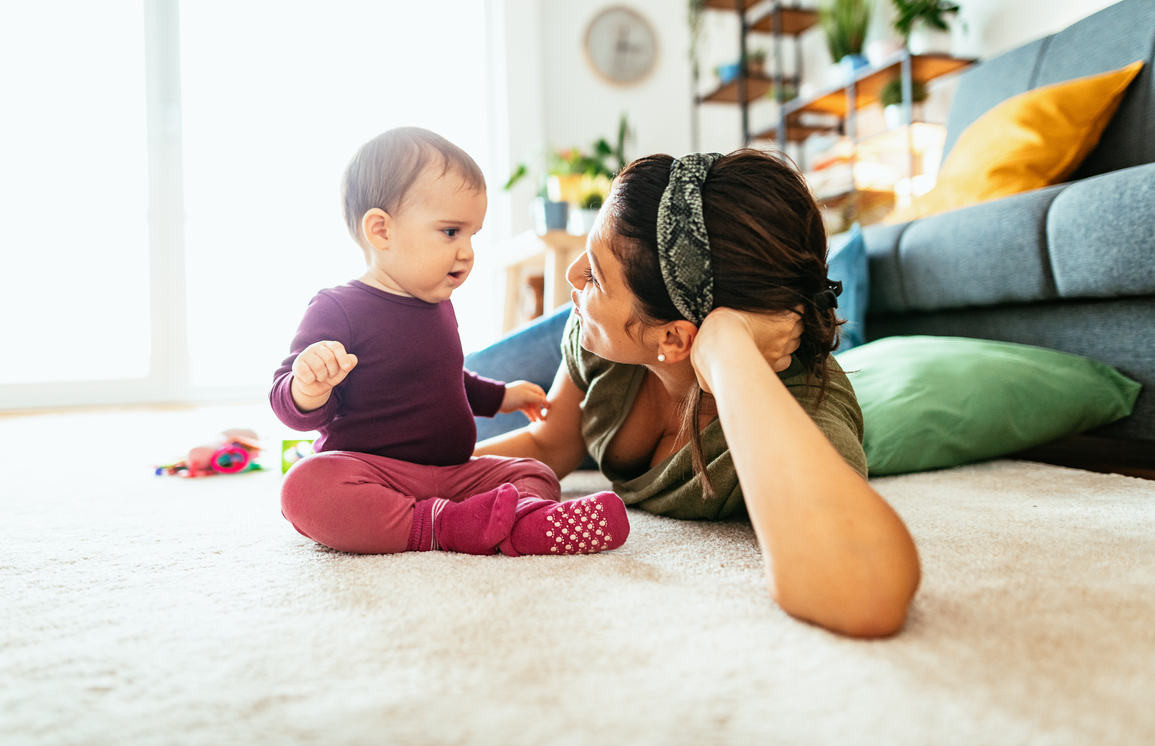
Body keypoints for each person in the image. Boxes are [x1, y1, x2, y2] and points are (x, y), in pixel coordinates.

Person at [474, 150, 920, 636]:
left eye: (596, 277)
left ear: (675, 337)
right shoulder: (602, 340)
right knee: (456, 388)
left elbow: (867, 593)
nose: (571, 276)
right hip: (636, 341)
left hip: (728, 357)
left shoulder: (806, 403)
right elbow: (545, 445)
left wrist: (727, 345)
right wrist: (403, 478)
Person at [272, 127, 630, 557]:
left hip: (453, 472)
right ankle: (443, 525)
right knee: (304, 487)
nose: (467, 252)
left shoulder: (438, 304)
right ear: (381, 231)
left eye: (472, 235)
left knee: (535, 472)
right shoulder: (338, 308)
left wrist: (502, 397)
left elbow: (448, 380)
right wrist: (308, 387)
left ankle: (523, 523)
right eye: (450, 232)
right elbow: (285, 400)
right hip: (375, 472)